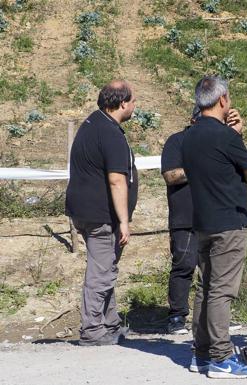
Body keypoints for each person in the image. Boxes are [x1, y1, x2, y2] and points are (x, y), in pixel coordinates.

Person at [182, 75, 247, 379]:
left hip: (202, 221)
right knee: (222, 292)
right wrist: (237, 135)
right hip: (229, 221)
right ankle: (221, 357)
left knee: (205, 287)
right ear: (223, 100)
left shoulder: (188, 136)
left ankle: (201, 353)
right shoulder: (226, 137)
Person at [65, 80, 138, 346]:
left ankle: (110, 323)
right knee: (101, 270)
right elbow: (116, 180)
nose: (134, 106)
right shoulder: (109, 133)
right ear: (121, 104)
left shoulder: (93, 124)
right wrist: (123, 220)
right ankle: (92, 330)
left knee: (106, 266)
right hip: (100, 215)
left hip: (84, 210)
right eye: (132, 101)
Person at [160, 107, 201, 335]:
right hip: (185, 217)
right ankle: (177, 316)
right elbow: (170, 175)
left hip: (213, 216)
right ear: (193, 119)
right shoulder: (176, 141)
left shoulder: (217, 141)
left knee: (214, 269)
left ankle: (212, 317)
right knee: (184, 265)